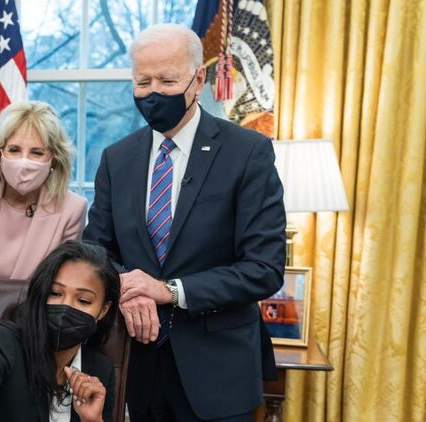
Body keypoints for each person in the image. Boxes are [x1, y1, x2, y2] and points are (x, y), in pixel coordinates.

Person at [83, 24, 286, 421]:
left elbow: (263, 268)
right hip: (138, 365)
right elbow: (96, 253)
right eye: (143, 82)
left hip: (219, 371)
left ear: (198, 79)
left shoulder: (248, 152)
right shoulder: (116, 158)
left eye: (168, 80)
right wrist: (129, 287)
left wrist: (168, 291)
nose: (154, 92)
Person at [0, 240, 120, 422]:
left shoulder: (100, 370)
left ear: (103, 310)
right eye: (55, 293)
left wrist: (93, 420)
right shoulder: (3, 342)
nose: (66, 306)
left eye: (84, 300)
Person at [0, 101, 87, 279]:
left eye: (37, 152)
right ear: (0, 154)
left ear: (54, 159)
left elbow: (63, 281)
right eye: (14, 150)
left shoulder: (73, 209)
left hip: (33, 298)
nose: (24, 162)